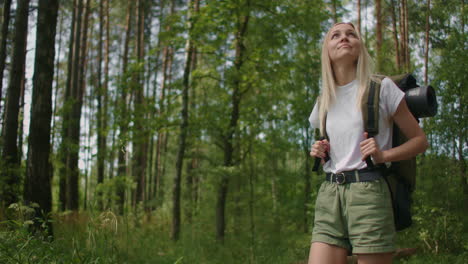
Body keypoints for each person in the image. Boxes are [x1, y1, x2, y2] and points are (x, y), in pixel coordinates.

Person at [307, 22, 428, 264]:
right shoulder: (324, 100)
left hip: (369, 191)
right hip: (329, 193)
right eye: (336, 35)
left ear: (360, 47)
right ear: (327, 51)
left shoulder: (381, 88)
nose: (345, 38)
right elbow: (334, 145)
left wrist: (383, 156)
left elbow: (420, 141)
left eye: (352, 34)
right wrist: (320, 150)